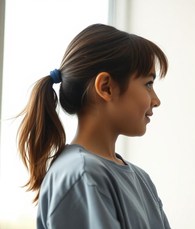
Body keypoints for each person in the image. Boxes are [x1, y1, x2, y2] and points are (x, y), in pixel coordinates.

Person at [17, 24, 170, 229]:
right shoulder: (82, 174)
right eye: (148, 84)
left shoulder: (142, 179)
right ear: (105, 87)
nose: (156, 100)